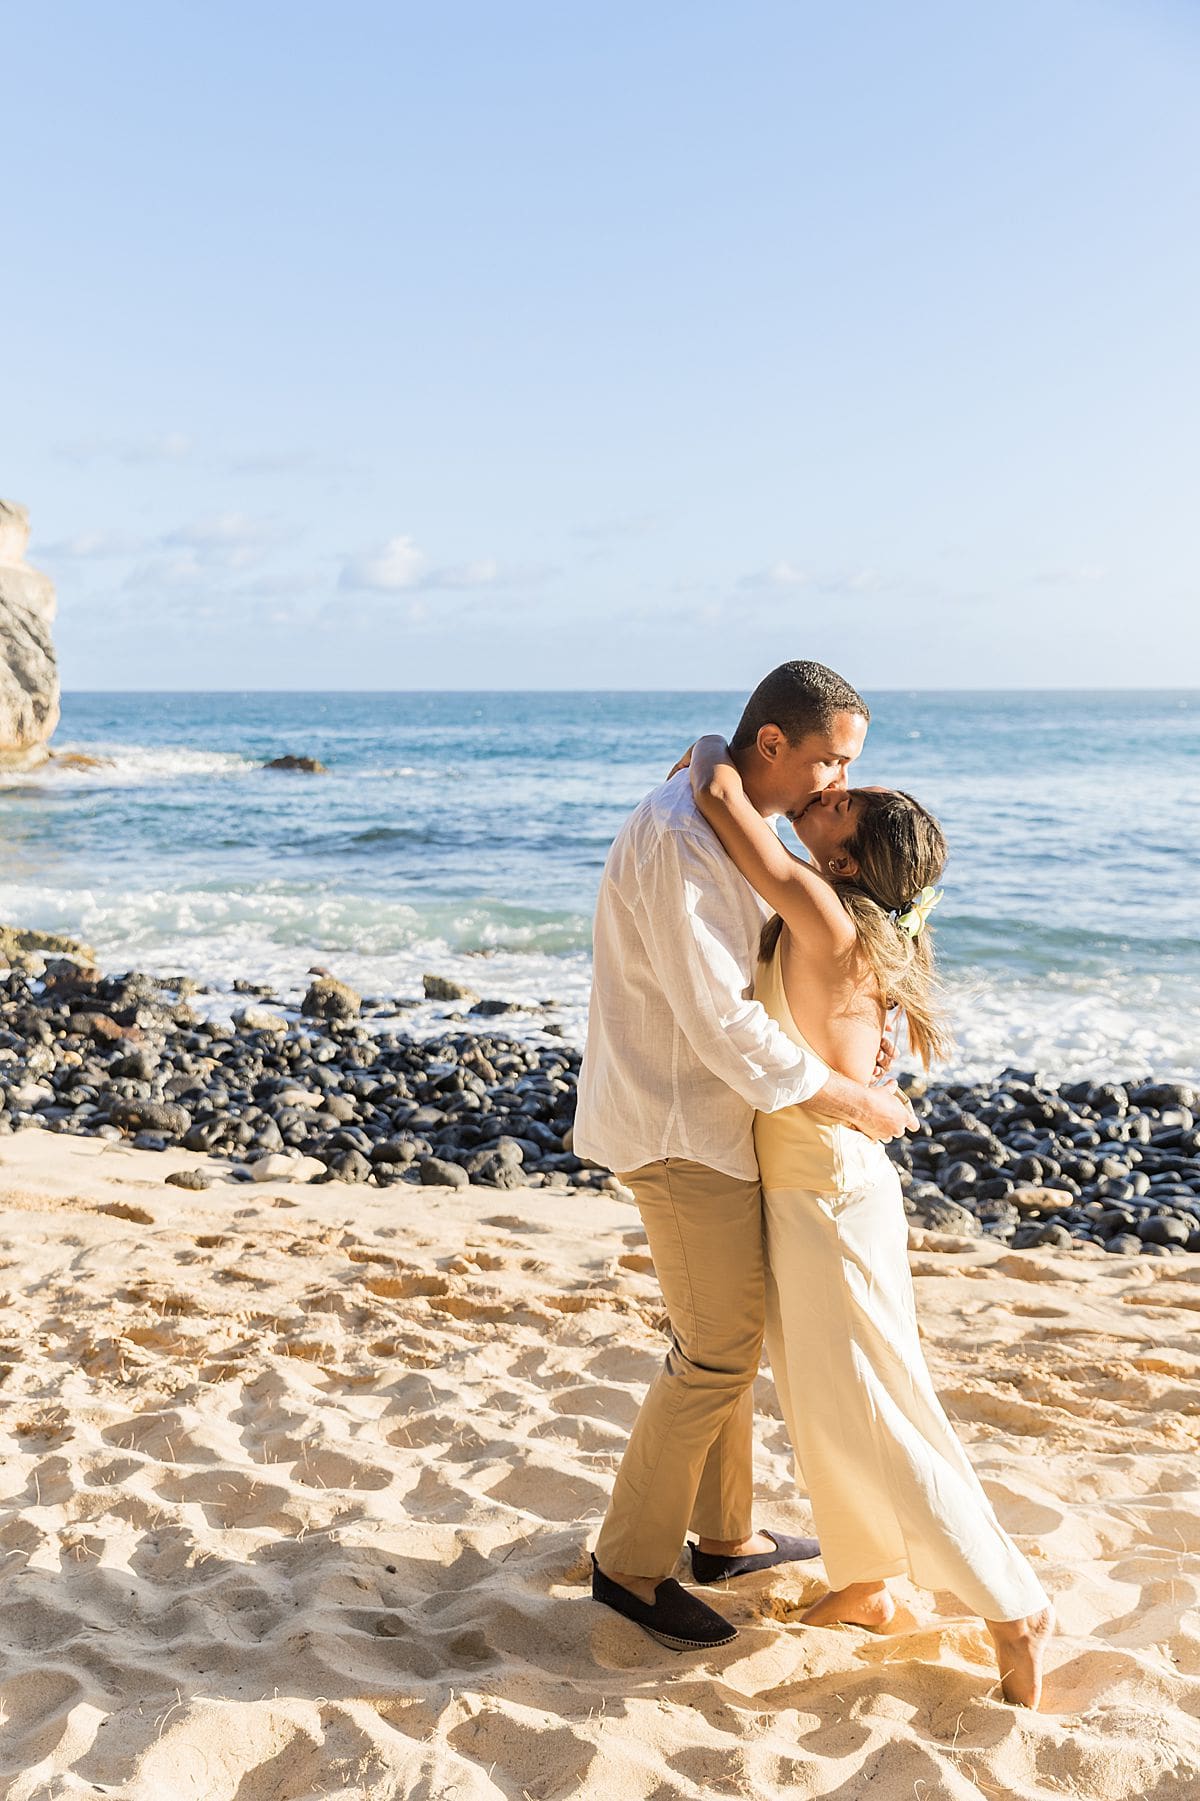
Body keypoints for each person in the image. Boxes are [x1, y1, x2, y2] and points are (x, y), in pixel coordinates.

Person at [686, 736, 1055, 1709]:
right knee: (832, 1396)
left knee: (878, 1408)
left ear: (843, 861)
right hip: (830, 1187)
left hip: (830, 1194)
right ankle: (862, 1583)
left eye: (845, 798)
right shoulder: (853, 921)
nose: (833, 786)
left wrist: (728, 742)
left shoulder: (820, 909)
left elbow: (722, 793)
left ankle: (1012, 1607)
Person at [574, 661, 917, 1653]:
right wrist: (851, 1094)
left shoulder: (735, 812)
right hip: (679, 1125)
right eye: (829, 760)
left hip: (715, 1120)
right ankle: (630, 1565)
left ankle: (724, 1537)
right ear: (775, 745)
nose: (835, 782)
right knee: (721, 1343)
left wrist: (853, 1029)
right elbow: (719, 1025)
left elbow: (773, 956)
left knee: (729, 1326)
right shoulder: (685, 840)